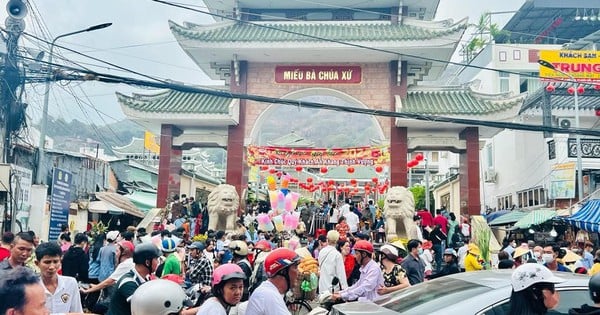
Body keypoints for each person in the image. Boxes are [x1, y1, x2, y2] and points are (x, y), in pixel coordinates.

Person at [107, 243, 161, 315]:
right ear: (147, 262)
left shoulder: (146, 278)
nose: (158, 262)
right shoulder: (128, 282)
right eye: (156, 259)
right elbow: (144, 308)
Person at [246, 248, 301, 315]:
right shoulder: (269, 295)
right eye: (295, 267)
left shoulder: (269, 290)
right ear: (283, 271)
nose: (299, 272)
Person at [35, 242, 83, 314]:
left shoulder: (71, 283)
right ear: (37, 263)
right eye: (47, 262)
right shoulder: (32, 287)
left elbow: (77, 312)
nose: (52, 267)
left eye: (55, 261)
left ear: (60, 261)